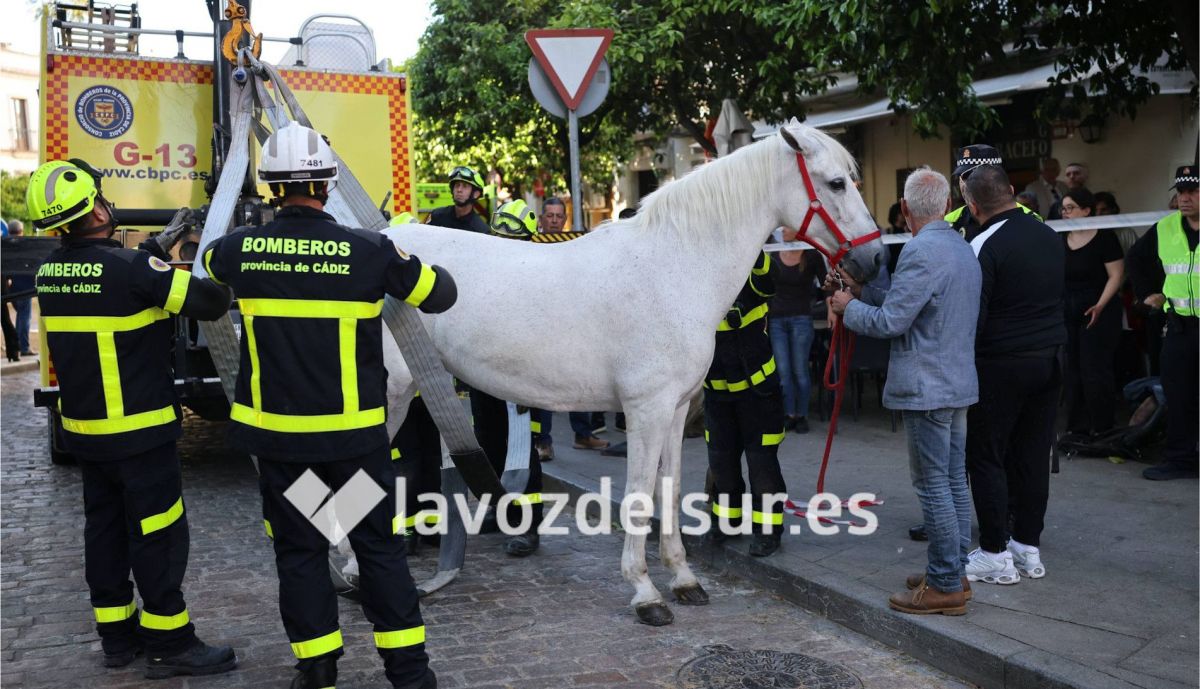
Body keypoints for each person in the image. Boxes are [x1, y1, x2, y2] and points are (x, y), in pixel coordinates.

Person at [202, 122, 455, 689]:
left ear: (269, 185)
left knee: (301, 548)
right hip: (355, 447)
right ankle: (410, 674)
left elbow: (210, 272)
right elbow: (441, 294)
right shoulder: (368, 251)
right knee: (377, 546)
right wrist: (406, 256)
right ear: (328, 183)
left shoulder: (241, 249)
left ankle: (317, 669)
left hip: (284, 448)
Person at [26, 159, 236, 676]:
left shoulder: (50, 272)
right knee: (158, 535)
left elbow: (107, 278)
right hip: (140, 433)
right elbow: (209, 303)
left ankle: (117, 639)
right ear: (95, 208)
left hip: (87, 434)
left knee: (105, 530)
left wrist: (150, 254)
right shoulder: (132, 270)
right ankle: (171, 643)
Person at [830, 168, 980, 615]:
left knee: (933, 485)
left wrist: (847, 306)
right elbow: (909, 307)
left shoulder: (920, 250)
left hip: (927, 388)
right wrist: (860, 295)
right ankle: (950, 571)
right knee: (952, 481)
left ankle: (946, 584)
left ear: (906, 208)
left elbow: (891, 322)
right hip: (955, 381)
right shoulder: (960, 246)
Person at [962, 165, 1065, 585]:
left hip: (1002, 363)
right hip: (1051, 358)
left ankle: (993, 552)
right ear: (1011, 191)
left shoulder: (981, 243)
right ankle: (1027, 545)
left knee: (986, 456)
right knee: (1033, 454)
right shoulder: (1048, 234)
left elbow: (974, 316)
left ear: (971, 205)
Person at [705, 251, 788, 557]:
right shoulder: (699, 279)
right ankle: (726, 523)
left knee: (761, 464)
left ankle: (768, 531)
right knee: (721, 462)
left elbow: (768, 279)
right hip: (716, 392)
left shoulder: (752, 268)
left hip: (758, 393)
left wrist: (749, 245)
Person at [476, 199, 545, 556]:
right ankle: (502, 512)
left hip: (519, 381)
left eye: (510, 240)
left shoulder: (537, 282)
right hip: (483, 377)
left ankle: (527, 527)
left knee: (520, 454)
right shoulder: (484, 273)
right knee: (489, 446)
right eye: (498, 238)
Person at [1125, 164, 1199, 480]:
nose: (1185, 198)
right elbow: (1136, 259)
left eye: (1192, 192)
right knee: (1179, 394)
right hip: (1180, 327)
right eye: (1181, 192)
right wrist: (1147, 294)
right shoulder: (1166, 227)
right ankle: (1181, 460)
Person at [532, 196, 608, 454]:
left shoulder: (577, 243)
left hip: (573, 325)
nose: (554, 220)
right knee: (543, 384)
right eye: (549, 216)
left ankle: (583, 434)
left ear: (565, 220)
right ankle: (543, 441)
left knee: (580, 379)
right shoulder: (531, 244)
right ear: (542, 218)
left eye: (558, 216)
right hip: (541, 326)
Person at [1059, 188, 1124, 435]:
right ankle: (1077, 429)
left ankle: (1103, 428)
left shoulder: (1105, 237)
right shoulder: (1060, 237)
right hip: (1069, 309)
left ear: (1086, 210)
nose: (1065, 213)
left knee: (1094, 370)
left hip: (1099, 309)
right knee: (1072, 370)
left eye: (1070, 207)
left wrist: (1100, 304)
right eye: (1063, 208)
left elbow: (1116, 275)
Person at [769, 227, 826, 434]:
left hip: (801, 318)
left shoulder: (811, 255)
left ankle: (802, 415)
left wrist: (832, 309)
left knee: (800, 370)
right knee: (783, 372)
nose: (782, 230)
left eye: (786, 226)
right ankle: (789, 413)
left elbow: (826, 282)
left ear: (798, 230)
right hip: (776, 319)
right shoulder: (773, 252)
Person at [945, 145, 1039, 241]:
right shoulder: (949, 222)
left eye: (974, 177)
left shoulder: (1029, 219)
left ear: (996, 177)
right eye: (963, 177)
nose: (966, 184)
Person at [427, 165, 489, 233]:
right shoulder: (437, 216)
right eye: (457, 185)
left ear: (476, 194)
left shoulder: (481, 230)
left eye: (465, 186)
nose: (459, 190)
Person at [7, 220, 35, 356]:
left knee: (20, 316)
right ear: (21, 230)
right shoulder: (26, 244)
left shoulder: (6, 244)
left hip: (11, 288)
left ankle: (18, 346)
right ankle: (23, 347)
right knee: (24, 317)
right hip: (26, 286)